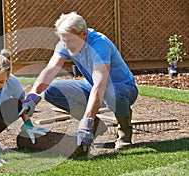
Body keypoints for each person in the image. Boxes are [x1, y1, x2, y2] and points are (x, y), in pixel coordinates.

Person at [20, 12, 138, 150]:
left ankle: (124, 132)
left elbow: (100, 85)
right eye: (64, 41)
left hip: (123, 88)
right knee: (51, 91)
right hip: (92, 85)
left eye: (70, 41)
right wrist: (33, 95)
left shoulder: (100, 45)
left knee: (112, 93)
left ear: (84, 34)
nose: (66, 45)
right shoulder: (65, 43)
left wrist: (87, 120)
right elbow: (50, 70)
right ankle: (96, 127)